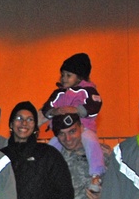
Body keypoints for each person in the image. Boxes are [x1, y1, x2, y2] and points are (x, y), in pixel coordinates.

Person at [41, 52, 105, 190]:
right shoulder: (59, 93)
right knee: (50, 148)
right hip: (61, 131)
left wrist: (76, 110)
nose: (64, 78)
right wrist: (54, 112)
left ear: (79, 77)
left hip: (84, 128)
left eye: (68, 75)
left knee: (92, 143)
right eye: (62, 75)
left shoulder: (87, 91)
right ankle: (43, 176)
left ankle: (96, 175)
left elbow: (95, 105)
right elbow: (46, 108)